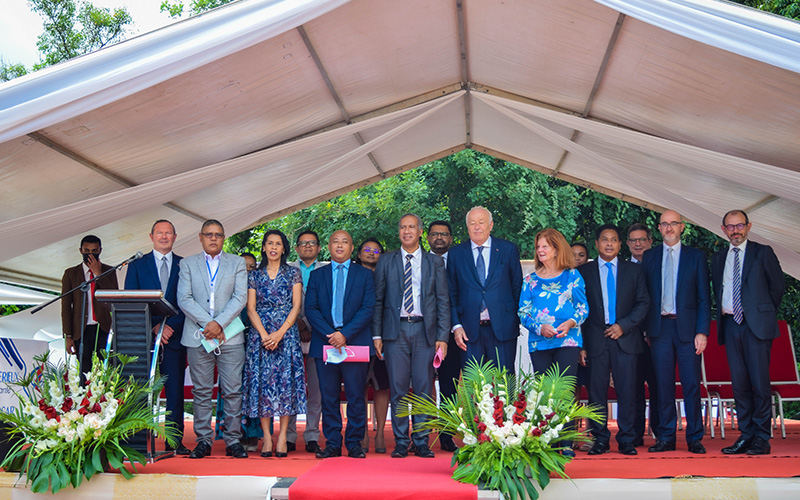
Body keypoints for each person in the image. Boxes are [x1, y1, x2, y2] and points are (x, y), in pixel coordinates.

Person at [373, 214, 450, 459]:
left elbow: (442, 301)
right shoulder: (386, 261)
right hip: (395, 332)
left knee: (423, 388)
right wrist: (377, 334)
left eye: (411, 227)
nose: (407, 231)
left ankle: (421, 441)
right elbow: (378, 301)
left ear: (420, 231)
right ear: (399, 232)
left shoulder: (434, 262)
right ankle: (400, 441)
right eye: (403, 227)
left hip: (424, 331)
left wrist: (443, 337)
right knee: (397, 389)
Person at [712, 210, 784, 455]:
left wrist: (760, 314)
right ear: (723, 230)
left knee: (759, 382)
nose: (736, 230)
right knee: (739, 383)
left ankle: (762, 437)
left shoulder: (762, 252)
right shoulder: (719, 257)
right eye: (730, 227)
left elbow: (777, 287)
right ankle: (746, 434)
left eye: (740, 225)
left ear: (749, 226)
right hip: (731, 324)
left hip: (756, 327)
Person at [177, 219, 248, 459]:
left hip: (230, 337)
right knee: (202, 391)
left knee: (233, 391)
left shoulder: (237, 263)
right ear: (200, 237)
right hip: (198, 336)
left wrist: (220, 324)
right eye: (209, 234)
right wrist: (208, 325)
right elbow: (184, 299)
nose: (213, 238)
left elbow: (240, 298)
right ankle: (203, 440)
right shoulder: (187, 264)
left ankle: (233, 440)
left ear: (224, 238)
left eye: (218, 234)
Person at [641, 210, 710, 454]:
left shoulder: (696, 257)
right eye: (664, 224)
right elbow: (645, 297)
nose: (669, 228)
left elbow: (704, 298)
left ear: (682, 227)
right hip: (660, 329)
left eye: (674, 224)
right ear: (658, 228)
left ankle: (694, 437)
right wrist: (647, 330)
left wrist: (702, 331)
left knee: (691, 384)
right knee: (663, 385)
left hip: (688, 330)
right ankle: (666, 436)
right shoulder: (649, 257)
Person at [578, 224, 649, 456]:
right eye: (604, 240)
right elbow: (579, 310)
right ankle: (600, 439)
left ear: (620, 244)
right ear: (597, 244)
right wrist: (582, 345)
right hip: (595, 339)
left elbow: (643, 303)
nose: (609, 244)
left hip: (625, 338)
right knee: (597, 392)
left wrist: (624, 326)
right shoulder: (584, 272)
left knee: (627, 390)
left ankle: (627, 438)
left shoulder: (634, 271)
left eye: (614, 240)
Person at [305, 230, 376, 459]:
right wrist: (331, 334)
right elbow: (311, 309)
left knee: (356, 395)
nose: (339, 245)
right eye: (335, 241)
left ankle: (354, 443)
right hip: (326, 344)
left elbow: (368, 308)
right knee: (329, 395)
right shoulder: (318, 275)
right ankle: (333, 443)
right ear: (328, 246)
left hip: (354, 343)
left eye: (344, 242)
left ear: (351, 247)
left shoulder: (364, 275)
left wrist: (344, 334)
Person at [519, 228, 588, 457]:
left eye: (545, 246)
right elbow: (523, 312)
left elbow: (583, 308)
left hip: (568, 340)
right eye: (538, 246)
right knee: (544, 393)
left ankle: (566, 442)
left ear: (557, 249)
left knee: (565, 391)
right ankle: (546, 440)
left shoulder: (572, 276)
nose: (540, 250)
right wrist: (539, 328)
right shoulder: (530, 280)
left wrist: (570, 322)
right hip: (540, 343)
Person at [123, 220, 188, 455]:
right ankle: (138, 439)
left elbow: (188, 302)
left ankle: (174, 441)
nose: (164, 236)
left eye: (168, 233)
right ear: (151, 236)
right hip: (144, 337)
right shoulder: (137, 265)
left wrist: (168, 327)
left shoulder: (185, 265)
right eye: (159, 233)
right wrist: (154, 327)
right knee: (141, 390)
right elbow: (131, 300)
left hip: (175, 336)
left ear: (175, 236)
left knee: (175, 390)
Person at [243, 230, 306, 458]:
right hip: (260, 336)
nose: (273, 247)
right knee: (263, 386)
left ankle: (282, 438)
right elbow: (250, 308)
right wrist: (263, 334)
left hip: (286, 334)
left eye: (278, 244)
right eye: (270, 243)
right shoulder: (255, 275)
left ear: (283, 248)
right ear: (264, 247)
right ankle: (267, 437)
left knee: (285, 384)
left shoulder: (293, 273)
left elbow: (296, 306)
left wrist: (279, 333)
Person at [448, 206, 522, 373]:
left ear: (491, 225)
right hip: (468, 330)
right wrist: (456, 326)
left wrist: (514, 319)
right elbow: (451, 293)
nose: (477, 227)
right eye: (472, 223)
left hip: (503, 328)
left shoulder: (508, 250)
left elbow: (517, 286)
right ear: (467, 227)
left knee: (503, 385)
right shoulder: (456, 254)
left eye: (481, 222)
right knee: (474, 386)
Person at [287, 231, 326, 454]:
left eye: (312, 243)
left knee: (317, 389)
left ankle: (312, 434)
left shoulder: (327, 269)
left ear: (319, 248)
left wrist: (311, 325)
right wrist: (299, 324)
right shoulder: (288, 269)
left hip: (319, 334)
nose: (308, 246)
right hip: (290, 333)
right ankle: (290, 435)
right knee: (291, 386)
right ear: (297, 248)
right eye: (303, 243)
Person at [61, 235, 119, 373]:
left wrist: (98, 273)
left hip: (103, 327)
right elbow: (66, 306)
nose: (90, 254)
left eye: (94, 251)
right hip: (81, 329)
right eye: (87, 251)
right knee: (84, 371)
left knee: (106, 370)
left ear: (100, 250)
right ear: (80, 250)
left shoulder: (109, 271)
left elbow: (114, 296)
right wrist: (68, 335)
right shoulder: (71, 273)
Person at [354, 237, 390, 455]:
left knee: (381, 385)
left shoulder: (386, 275)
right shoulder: (353, 275)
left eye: (376, 250)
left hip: (384, 337)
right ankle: (362, 434)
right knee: (357, 385)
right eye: (367, 249)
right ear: (358, 254)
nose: (371, 253)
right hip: (358, 336)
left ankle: (379, 434)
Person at [626, 223, 659, 447]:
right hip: (631, 338)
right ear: (626, 244)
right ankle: (635, 433)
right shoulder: (622, 269)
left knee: (658, 387)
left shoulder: (658, 266)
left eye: (642, 239)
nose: (638, 243)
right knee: (634, 388)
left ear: (650, 242)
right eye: (633, 240)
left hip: (657, 338)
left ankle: (658, 432)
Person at [427, 219, 459, 452]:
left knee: (449, 385)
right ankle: (417, 437)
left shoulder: (458, 262)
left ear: (451, 238)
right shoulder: (419, 261)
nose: (439, 238)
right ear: (427, 238)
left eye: (444, 234)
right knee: (420, 384)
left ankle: (446, 434)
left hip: (453, 334)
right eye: (435, 234)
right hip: (420, 333)